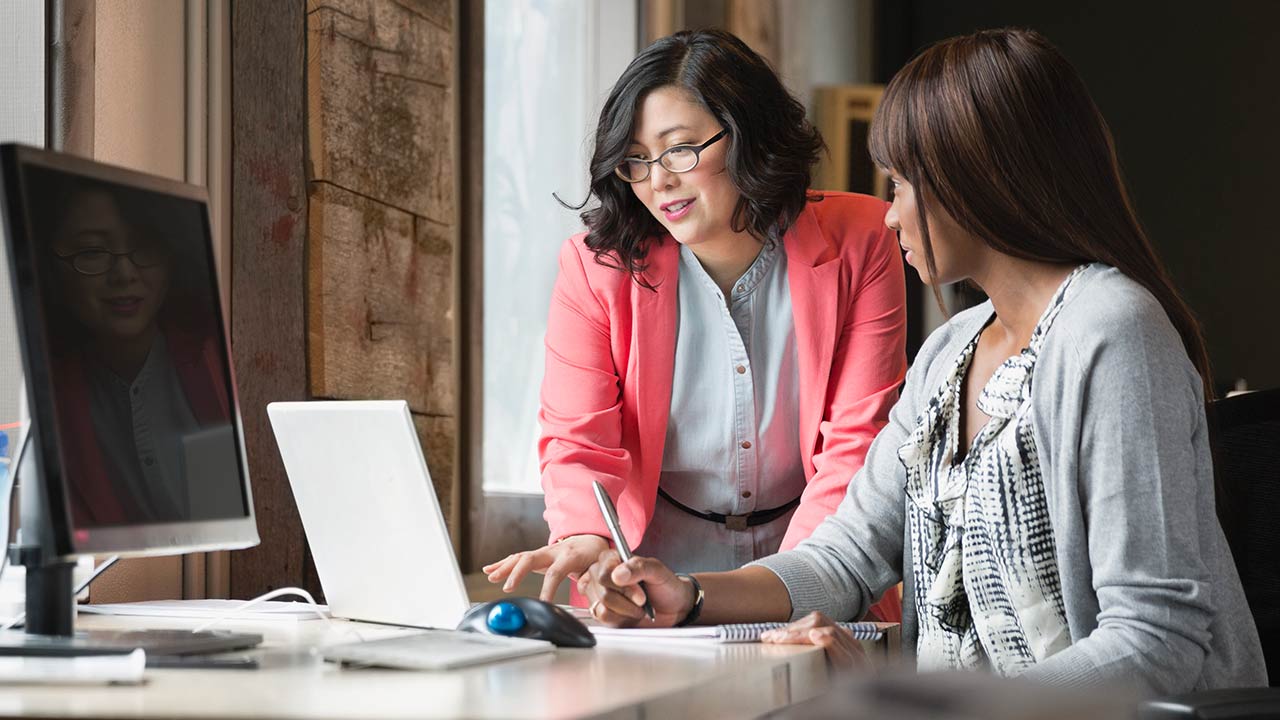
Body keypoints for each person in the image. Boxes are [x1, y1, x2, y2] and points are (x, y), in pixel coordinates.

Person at [579, 28, 1267, 694]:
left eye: (903, 184)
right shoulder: (950, 352)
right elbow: (846, 557)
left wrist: (925, 704)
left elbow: (1157, 640)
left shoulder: (1112, 333)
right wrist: (691, 596)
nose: (888, 215)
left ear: (979, 179)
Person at [483, 29, 908, 622]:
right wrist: (585, 535)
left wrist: (790, 586)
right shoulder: (595, 267)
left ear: (748, 135)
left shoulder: (862, 240)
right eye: (636, 159)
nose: (658, 180)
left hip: (816, 563)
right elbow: (578, 441)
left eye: (680, 149)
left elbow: (858, 447)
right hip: (654, 583)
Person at [34, 173, 235, 526]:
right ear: (53, 268)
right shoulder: (51, 398)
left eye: (144, 247)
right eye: (93, 252)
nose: (124, 273)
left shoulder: (218, 361)